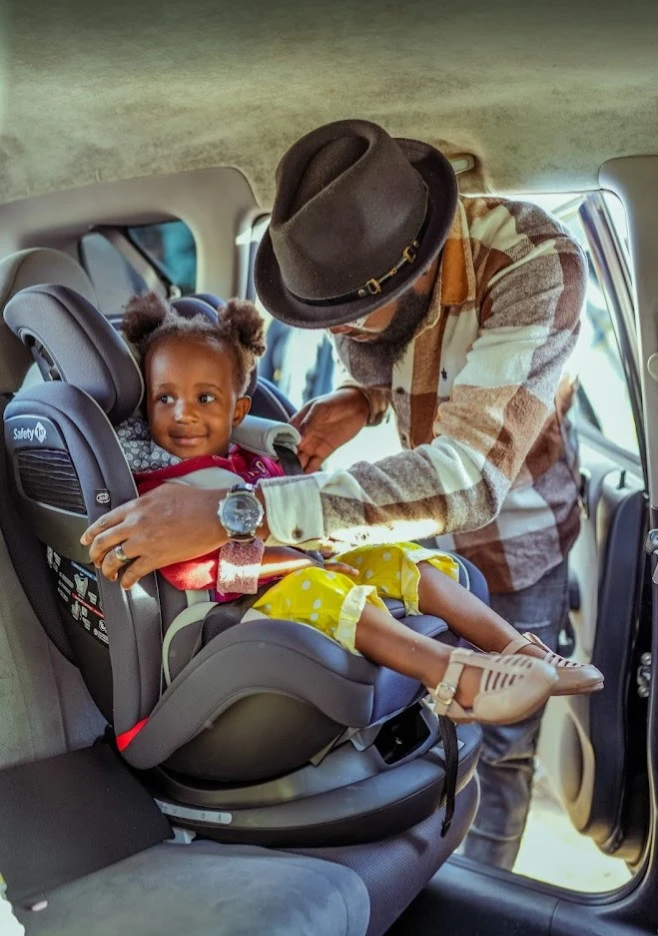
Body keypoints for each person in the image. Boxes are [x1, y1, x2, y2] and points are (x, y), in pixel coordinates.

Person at [82, 119, 590, 868]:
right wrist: (364, 398)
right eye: (324, 318)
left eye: (349, 316)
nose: (340, 333)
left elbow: (468, 478)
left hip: (519, 525)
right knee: (407, 593)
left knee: (502, 749)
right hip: (405, 511)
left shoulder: (535, 266)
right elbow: (387, 359)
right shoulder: (351, 277)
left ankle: (515, 673)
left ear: (411, 264)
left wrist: (237, 512)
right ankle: (467, 675)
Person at [114, 291, 602, 725]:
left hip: (295, 568)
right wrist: (303, 560)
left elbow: (292, 517)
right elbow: (199, 570)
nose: (184, 414)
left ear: (237, 410)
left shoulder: (251, 457)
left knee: (399, 553)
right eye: (165, 399)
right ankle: (453, 677)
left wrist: (319, 546)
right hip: (230, 612)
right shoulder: (161, 485)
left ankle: (512, 646)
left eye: (205, 398)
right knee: (323, 585)